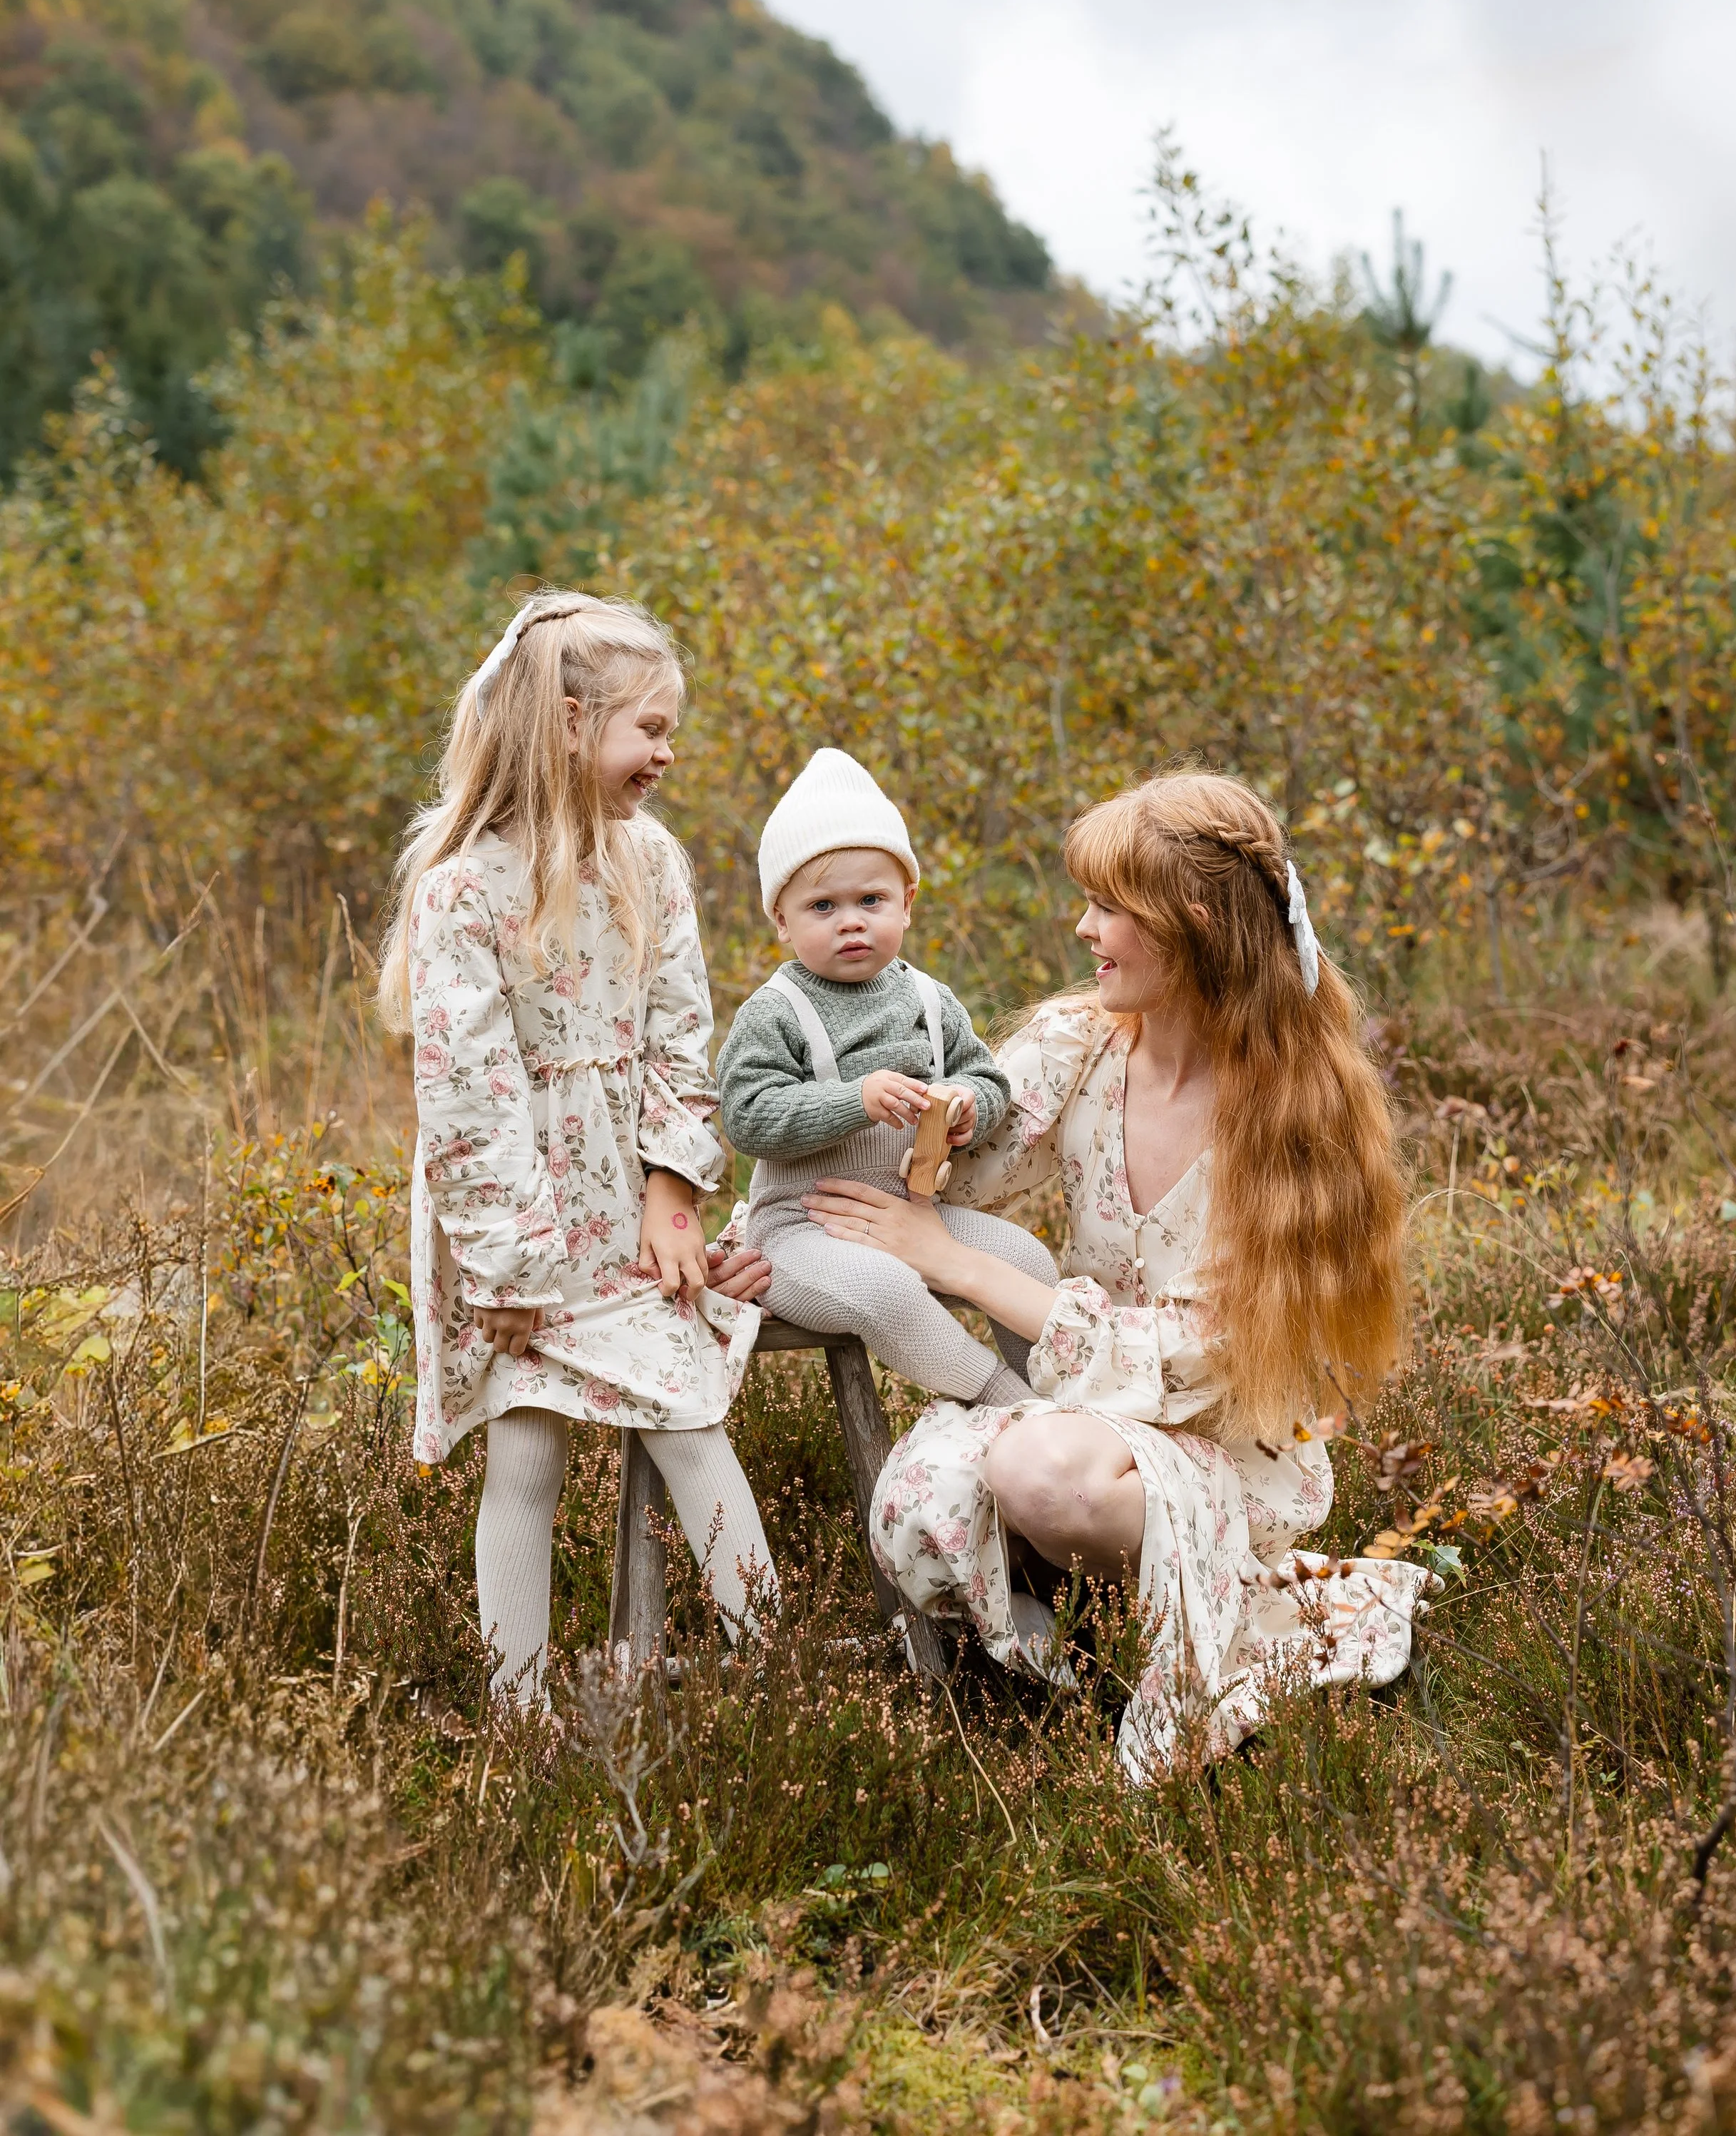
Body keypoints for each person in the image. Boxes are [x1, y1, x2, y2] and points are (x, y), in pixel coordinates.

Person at [804, 769, 1430, 1776]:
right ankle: (1073, 1653)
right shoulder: (1078, 1044)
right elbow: (943, 1180)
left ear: (1188, 926)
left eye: (1109, 908)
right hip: (1086, 1413)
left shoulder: (1291, 1113)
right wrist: (932, 1125)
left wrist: (960, 1268)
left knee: (1038, 1470)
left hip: (1224, 1452)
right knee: (932, 1481)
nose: (1084, 930)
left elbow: (1207, 1361)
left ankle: (1238, 1609)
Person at [379, 591, 776, 1707]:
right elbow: (468, 1090)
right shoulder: (461, 889)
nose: (667, 751)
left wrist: (673, 1189)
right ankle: (518, 1711)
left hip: (628, 1201)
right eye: (648, 728)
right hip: (518, 1214)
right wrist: (508, 1270)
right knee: (527, 1454)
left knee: (689, 1411)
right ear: (564, 721)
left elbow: (680, 1032)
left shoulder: (653, 863)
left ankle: (776, 1673)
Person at [715, 748, 1057, 1405]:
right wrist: (856, 1099)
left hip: (916, 1215)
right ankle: (1004, 1403)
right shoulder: (776, 1011)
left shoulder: (930, 999)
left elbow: (988, 1080)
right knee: (884, 1291)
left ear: (907, 903)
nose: (851, 921)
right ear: (781, 920)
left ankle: (1063, 1393)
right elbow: (748, 1117)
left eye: (871, 900)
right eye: (823, 906)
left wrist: (965, 1104)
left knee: (1026, 1260)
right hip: (804, 1228)